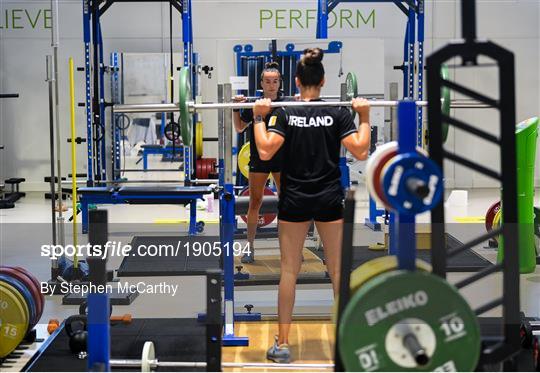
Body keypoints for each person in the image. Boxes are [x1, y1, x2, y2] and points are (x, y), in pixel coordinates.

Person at [251, 48, 371, 363]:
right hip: (330, 198)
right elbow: (360, 151)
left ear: (296, 80)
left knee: (289, 271)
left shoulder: (285, 111)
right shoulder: (338, 111)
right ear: (323, 81)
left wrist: (259, 117)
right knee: (337, 272)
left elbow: (264, 151)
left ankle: (283, 344)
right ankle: (347, 342)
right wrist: (366, 116)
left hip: (295, 199)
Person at [232, 61, 286, 264]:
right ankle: (250, 248)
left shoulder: (287, 105)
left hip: (282, 159)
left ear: (279, 83)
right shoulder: (253, 104)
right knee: (255, 202)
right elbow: (238, 128)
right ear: (261, 83)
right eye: (267, 81)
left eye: (275, 81)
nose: (271, 85)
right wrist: (236, 107)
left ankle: (288, 249)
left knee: (287, 204)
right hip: (259, 158)